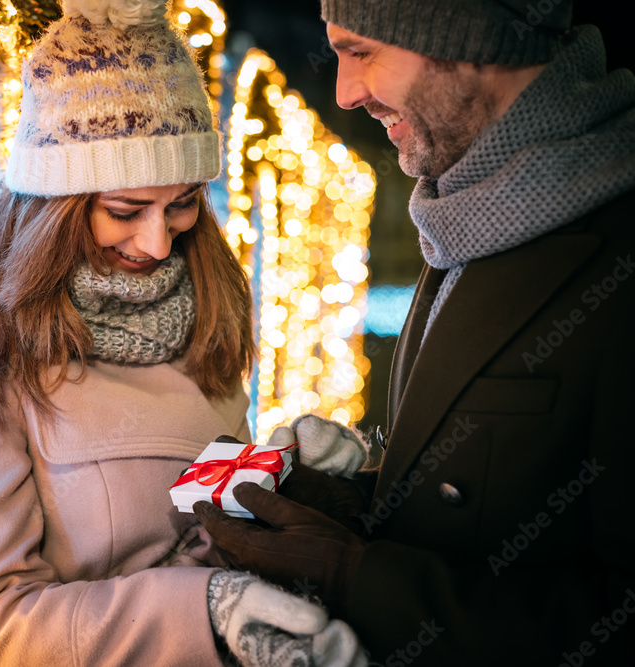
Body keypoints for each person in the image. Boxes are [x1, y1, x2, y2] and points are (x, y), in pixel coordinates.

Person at [0, 0, 365, 664]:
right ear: (53, 205)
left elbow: (199, 517)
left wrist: (283, 473)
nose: (157, 242)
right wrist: (205, 611)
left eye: (181, 205)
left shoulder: (204, 307)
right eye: (124, 210)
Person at [195, 0, 635, 665]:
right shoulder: (468, 207)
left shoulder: (610, 249)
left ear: (466, 35)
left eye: (361, 51)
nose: (344, 92)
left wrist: (354, 574)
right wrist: (347, 504)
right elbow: (485, 492)